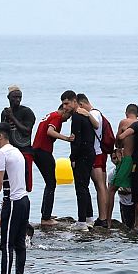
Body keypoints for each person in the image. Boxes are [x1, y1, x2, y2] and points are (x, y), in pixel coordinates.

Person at [0, 122, 30, 274]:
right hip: (24, 200)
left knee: (6, 245)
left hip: (14, 202)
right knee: (19, 243)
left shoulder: (2, 153)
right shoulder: (17, 151)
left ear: (1, 135)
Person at [31, 104, 73, 225]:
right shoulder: (57, 117)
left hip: (37, 151)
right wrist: (66, 138)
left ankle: (45, 212)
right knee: (51, 183)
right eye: (68, 116)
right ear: (64, 111)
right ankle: (46, 218)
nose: (67, 120)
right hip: (43, 151)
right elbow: (50, 131)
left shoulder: (50, 115)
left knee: (49, 182)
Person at [63, 90, 94, 231]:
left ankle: (81, 221)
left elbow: (77, 139)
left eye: (67, 103)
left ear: (75, 101)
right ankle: (88, 217)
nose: (65, 107)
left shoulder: (76, 116)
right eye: (63, 104)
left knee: (80, 188)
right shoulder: (84, 114)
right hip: (90, 152)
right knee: (85, 186)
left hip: (82, 154)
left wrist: (73, 157)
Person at [77, 94, 109, 227]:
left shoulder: (94, 113)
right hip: (100, 152)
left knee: (100, 185)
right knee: (101, 186)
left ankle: (102, 218)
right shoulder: (97, 112)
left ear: (81, 105)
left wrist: (86, 114)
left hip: (97, 153)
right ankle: (105, 216)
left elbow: (95, 125)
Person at [106, 104, 138, 228]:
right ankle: (137, 224)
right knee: (137, 193)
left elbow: (118, 140)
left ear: (126, 113)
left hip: (127, 159)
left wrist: (119, 149)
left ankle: (108, 221)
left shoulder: (124, 122)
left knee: (111, 189)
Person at [0, 85, 36, 192]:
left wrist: (13, 118)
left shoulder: (27, 112)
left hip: (24, 151)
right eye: (15, 97)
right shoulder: (5, 113)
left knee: (24, 185)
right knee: (8, 184)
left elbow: (27, 131)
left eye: (19, 97)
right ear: (8, 98)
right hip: (9, 152)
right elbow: (2, 133)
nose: (17, 100)